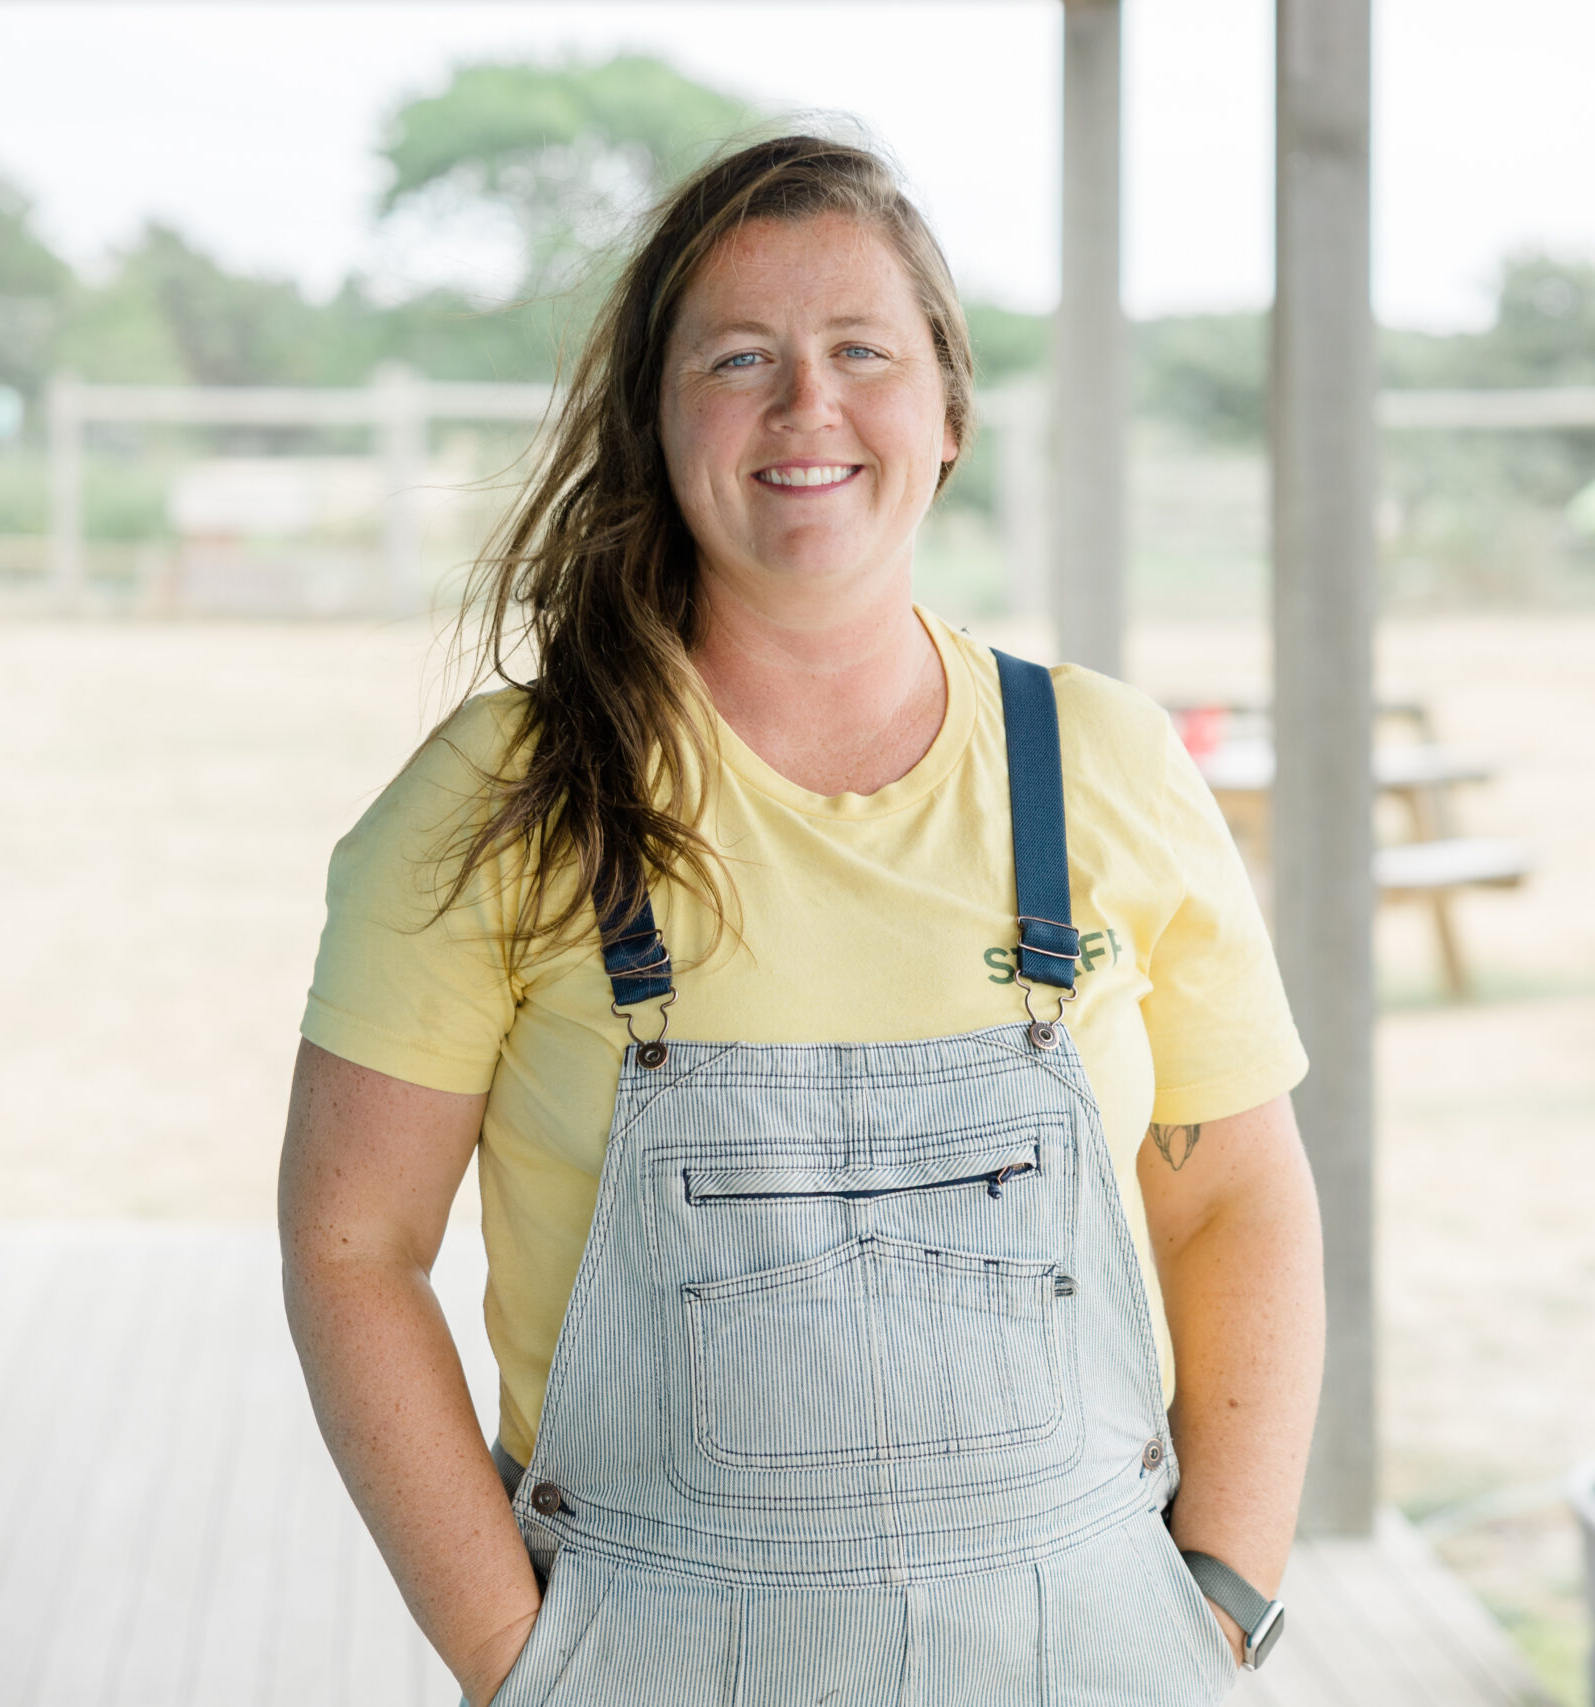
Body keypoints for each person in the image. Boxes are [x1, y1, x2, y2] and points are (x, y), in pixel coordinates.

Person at [281, 134, 1326, 1706]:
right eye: (740, 358)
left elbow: (1234, 1198)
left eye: (861, 352)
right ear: (658, 416)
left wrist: (1223, 1598)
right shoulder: (501, 796)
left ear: (950, 409)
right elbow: (351, 1241)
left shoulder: (1107, 768)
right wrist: (520, 1661)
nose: (805, 409)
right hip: (645, 1662)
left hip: (1092, 1654)